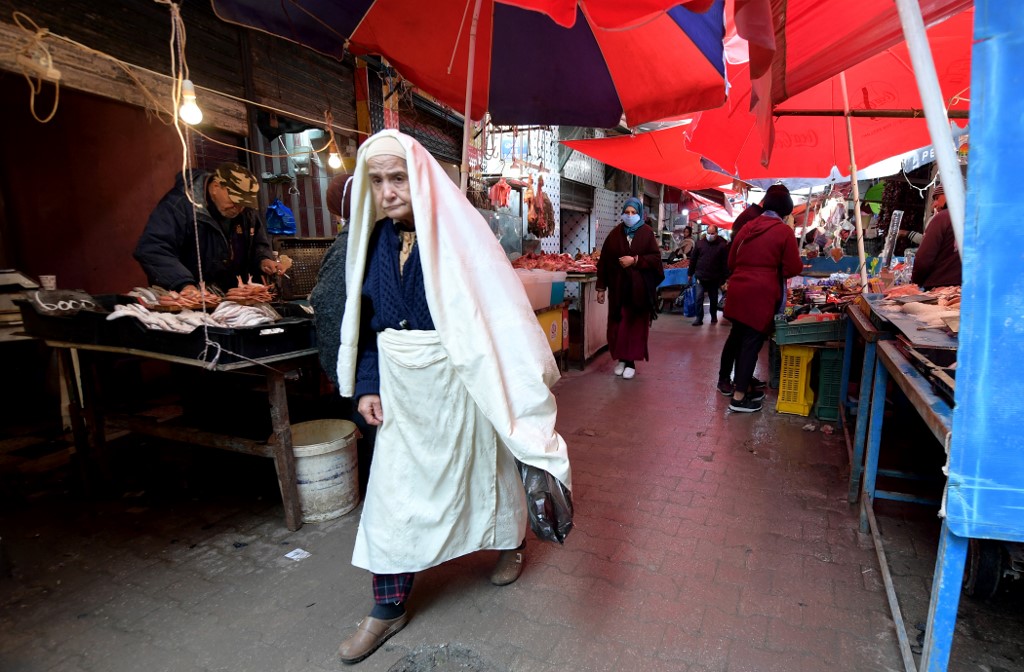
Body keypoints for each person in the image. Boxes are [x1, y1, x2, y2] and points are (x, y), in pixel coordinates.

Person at [333, 130, 572, 665]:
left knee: (484, 470)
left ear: (420, 179)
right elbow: (370, 322)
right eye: (377, 180)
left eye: (398, 178)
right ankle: (387, 609)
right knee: (393, 494)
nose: (388, 190)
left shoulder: (462, 238)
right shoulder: (373, 243)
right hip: (400, 389)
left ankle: (510, 542)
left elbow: (497, 314)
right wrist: (368, 383)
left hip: (459, 383)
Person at [134, 162, 284, 294]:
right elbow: (154, 249)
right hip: (189, 299)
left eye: (243, 204)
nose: (238, 209)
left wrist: (264, 260)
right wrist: (184, 284)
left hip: (233, 298)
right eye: (234, 201)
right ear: (216, 187)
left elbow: (258, 243)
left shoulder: (245, 211)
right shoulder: (179, 206)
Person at [718, 186, 803, 412]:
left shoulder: (747, 226)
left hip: (738, 290)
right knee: (751, 343)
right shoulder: (783, 232)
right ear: (786, 209)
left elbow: (731, 262)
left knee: (738, 337)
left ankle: (735, 385)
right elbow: (794, 267)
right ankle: (738, 398)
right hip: (762, 293)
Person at [595, 197, 665, 380]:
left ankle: (631, 361)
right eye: (627, 212)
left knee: (634, 326)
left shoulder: (647, 233)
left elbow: (656, 260)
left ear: (640, 214)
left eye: (633, 212)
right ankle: (622, 359)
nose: (630, 216)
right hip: (618, 290)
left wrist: (635, 260)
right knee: (618, 325)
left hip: (638, 291)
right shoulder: (614, 234)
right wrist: (601, 287)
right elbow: (604, 262)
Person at [687, 224, 729, 326]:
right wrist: (690, 273)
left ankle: (713, 316)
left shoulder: (722, 246)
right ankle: (699, 318)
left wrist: (725, 278)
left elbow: (724, 263)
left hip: (714, 277)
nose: (710, 235)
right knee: (699, 298)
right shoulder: (699, 244)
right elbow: (693, 259)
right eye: (708, 233)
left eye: (712, 233)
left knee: (713, 299)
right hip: (700, 276)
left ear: (716, 233)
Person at [911, 205, 960, 289]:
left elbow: (923, 258)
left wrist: (915, 282)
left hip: (940, 288)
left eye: (937, 198)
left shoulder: (944, 217)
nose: (934, 204)